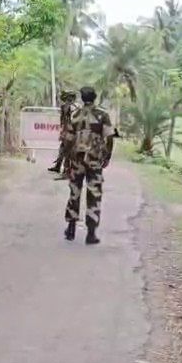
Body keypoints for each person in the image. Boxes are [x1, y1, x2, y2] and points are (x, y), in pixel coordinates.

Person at [63, 86, 116, 244]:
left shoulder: (75, 115)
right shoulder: (102, 114)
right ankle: (91, 233)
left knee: (74, 192)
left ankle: (71, 229)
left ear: (81, 97)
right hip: (94, 160)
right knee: (94, 194)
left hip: (77, 160)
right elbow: (109, 137)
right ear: (95, 97)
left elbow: (68, 139)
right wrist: (107, 156)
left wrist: (68, 160)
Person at [48, 90, 78, 179]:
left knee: (67, 152)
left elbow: (70, 121)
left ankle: (66, 171)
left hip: (71, 133)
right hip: (68, 132)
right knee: (63, 150)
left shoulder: (71, 107)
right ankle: (58, 166)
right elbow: (63, 121)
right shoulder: (69, 107)